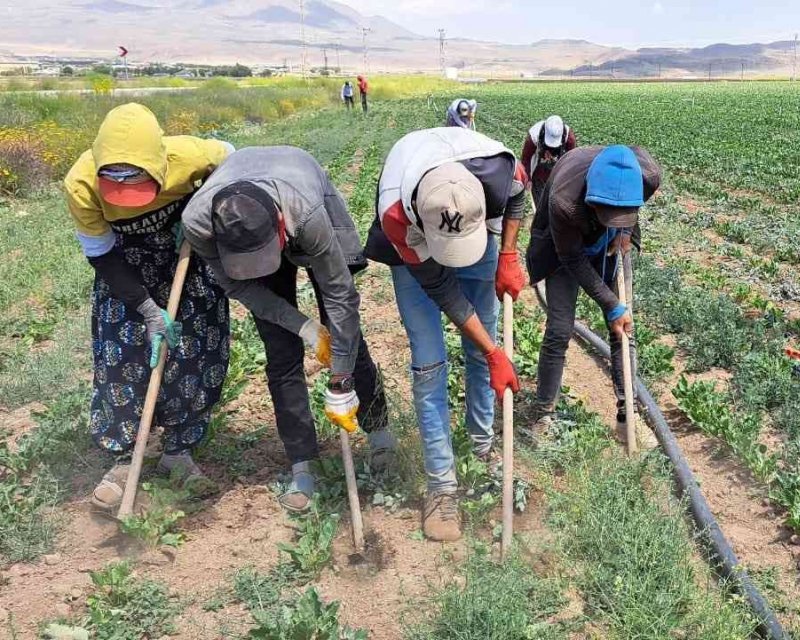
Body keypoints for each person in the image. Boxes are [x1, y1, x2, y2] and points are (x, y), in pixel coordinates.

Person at [181, 146, 393, 512]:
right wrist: (304, 327)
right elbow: (238, 286)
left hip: (302, 199)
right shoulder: (199, 223)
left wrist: (341, 377)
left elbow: (340, 294)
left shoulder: (307, 214)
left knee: (347, 339)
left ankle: (381, 438)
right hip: (251, 230)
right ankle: (302, 464)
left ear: (280, 226)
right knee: (281, 354)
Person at [64, 103, 233, 510]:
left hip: (184, 262)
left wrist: (199, 214)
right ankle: (125, 459)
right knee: (121, 358)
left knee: (196, 353)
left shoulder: (193, 154)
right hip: (125, 270)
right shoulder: (81, 184)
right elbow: (102, 255)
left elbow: (233, 161)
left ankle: (179, 452)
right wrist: (146, 309)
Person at [364, 127, 525, 541]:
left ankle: (482, 448)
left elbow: (519, 193)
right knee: (430, 365)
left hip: (480, 240)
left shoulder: (499, 170)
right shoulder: (395, 215)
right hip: (414, 258)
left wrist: (507, 252)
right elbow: (442, 291)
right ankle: (441, 487)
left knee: (479, 348)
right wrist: (495, 352)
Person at [527, 145, 660, 440]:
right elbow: (572, 258)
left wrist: (624, 232)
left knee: (624, 327)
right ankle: (543, 414)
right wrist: (610, 304)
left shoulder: (647, 176)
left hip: (608, 245)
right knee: (560, 329)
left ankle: (628, 415)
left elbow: (634, 207)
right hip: (562, 250)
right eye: (607, 215)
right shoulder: (565, 201)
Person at [521, 115, 577, 204]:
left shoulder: (568, 137)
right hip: (539, 174)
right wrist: (527, 178)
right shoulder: (534, 134)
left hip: (558, 174)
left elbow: (572, 160)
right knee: (540, 203)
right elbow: (526, 158)